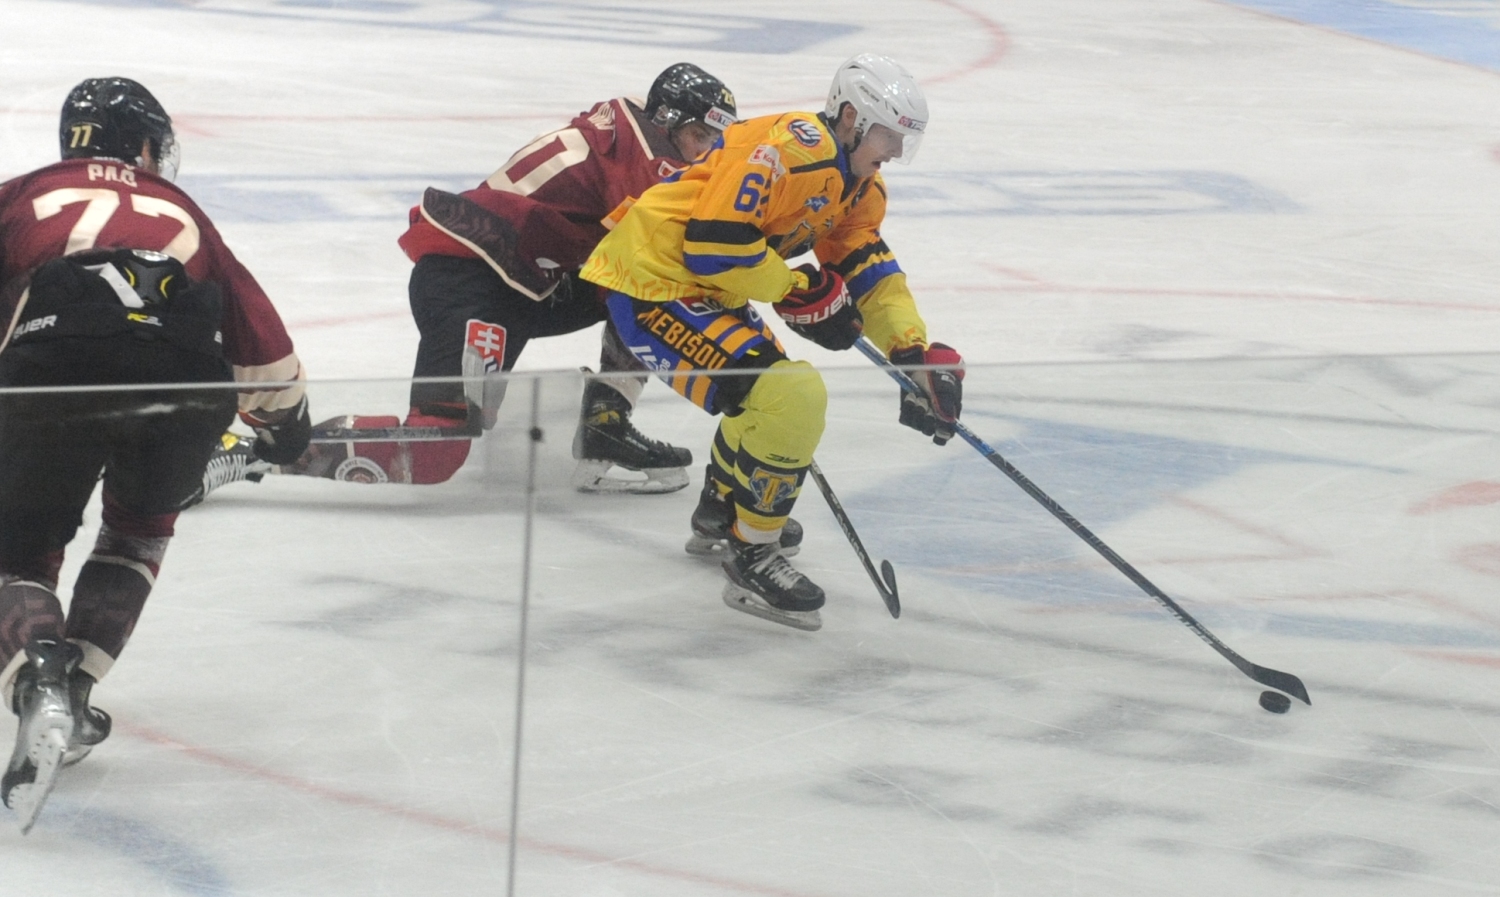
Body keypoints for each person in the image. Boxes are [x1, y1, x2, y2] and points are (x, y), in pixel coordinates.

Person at [195, 63, 737, 498]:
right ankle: (249, 454)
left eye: (714, 140)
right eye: (698, 136)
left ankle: (605, 423)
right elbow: (696, 246)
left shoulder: (630, 136)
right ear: (667, 121)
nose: (706, 152)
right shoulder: (649, 160)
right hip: (474, 284)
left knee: (640, 285)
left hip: (519, 283)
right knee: (436, 450)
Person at [0, 77, 310, 832]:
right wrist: (287, 421)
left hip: (55, 364)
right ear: (144, 145)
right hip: (186, 377)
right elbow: (258, 336)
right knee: (138, 530)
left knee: (20, 546)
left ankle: (40, 679)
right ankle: (75, 693)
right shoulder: (183, 209)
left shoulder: (22, 194)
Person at [579, 54, 965, 631]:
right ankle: (752, 552)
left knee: (771, 396)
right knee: (790, 395)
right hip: (651, 282)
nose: (895, 150)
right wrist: (796, 288)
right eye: (888, 134)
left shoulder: (859, 186)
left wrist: (911, 354)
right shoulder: (788, 149)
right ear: (852, 117)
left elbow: (867, 268)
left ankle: (721, 511)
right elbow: (713, 243)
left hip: (706, 287)